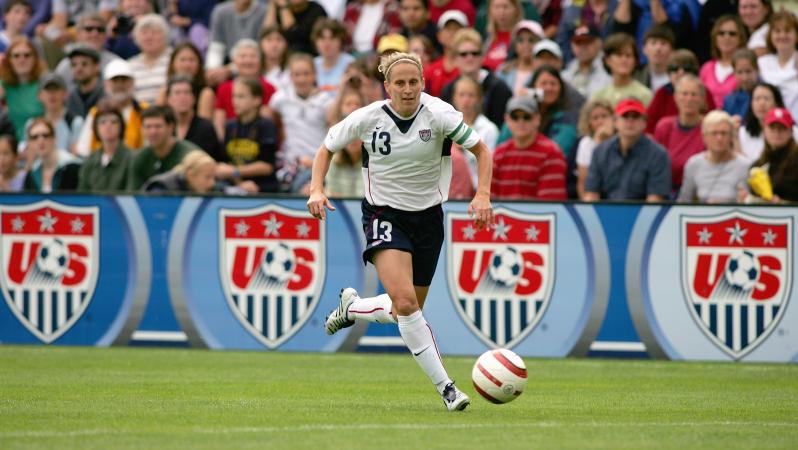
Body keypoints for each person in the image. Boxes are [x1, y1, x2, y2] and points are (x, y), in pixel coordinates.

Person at [306, 51, 493, 412]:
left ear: (423, 83)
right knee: (407, 305)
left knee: (403, 309)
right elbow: (326, 147)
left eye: (414, 82)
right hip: (383, 213)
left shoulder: (440, 114)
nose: (408, 89)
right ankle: (448, 389)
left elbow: (481, 150)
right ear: (387, 87)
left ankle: (354, 307)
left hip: (428, 219)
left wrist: (482, 194)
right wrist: (316, 187)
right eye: (400, 83)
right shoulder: (368, 118)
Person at [268, 53, 333, 193]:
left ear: (315, 75)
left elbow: (333, 132)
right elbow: (273, 121)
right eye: (297, 74)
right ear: (290, 76)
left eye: (306, 74)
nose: (301, 79)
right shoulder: (280, 99)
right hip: (289, 166)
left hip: (316, 165)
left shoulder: (326, 101)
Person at [584, 98, 671, 201]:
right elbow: (591, 195)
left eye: (636, 116)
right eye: (625, 116)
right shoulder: (599, 152)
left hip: (643, 214)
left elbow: (655, 200)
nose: (630, 121)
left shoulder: (658, 154)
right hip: (605, 213)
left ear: (644, 122)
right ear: (615, 122)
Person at [492, 94, 567, 200]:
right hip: (502, 216)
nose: (521, 121)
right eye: (515, 117)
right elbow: (489, 200)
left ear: (537, 119)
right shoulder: (498, 154)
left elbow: (550, 204)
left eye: (527, 116)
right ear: (507, 119)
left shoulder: (552, 153)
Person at [439, 28, 512, 128]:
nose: (470, 58)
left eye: (475, 53)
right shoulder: (448, 90)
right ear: (455, 59)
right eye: (463, 54)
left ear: (482, 56)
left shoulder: (499, 88)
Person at [216, 77, 279, 193]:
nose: (235, 101)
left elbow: (267, 166)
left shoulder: (266, 125)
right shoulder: (230, 126)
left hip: (263, 188)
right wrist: (240, 182)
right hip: (237, 184)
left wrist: (235, 171)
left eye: (241, 96)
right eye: (234, 96)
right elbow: (227, 162)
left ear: (257, 100)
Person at [75, 59, 147, 156]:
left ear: (133, 82)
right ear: (106, 84)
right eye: (115, 80)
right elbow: (83, 149)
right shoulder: (96, 113)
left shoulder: (144, 111)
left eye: (124, 80)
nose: (119, 85)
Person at [677, 110, 750, 203]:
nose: (719, 138)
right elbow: (684, 201)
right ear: (704, 137)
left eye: (724, 133)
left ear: (731, 136)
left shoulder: (745, 166)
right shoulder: (693, 164)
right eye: (714, 133)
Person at [213, 39, 277, 139]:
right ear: (234, 61)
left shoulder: (268, 88)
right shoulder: (224, 88)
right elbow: (219, 124)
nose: (248, 61)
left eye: (252, 56)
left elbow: (267, 123)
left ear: (260, 61)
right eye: (243, 56)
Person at [653, 74, 706, 193]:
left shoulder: (709, 127)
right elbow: (655, 165)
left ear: (702, 99)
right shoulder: (664, 126)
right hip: (666, 193)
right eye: (684, 94)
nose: (689, 99)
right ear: (675, 97)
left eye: (694, 94)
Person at [127, 105, 194, 190]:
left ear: (171, 127)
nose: (153, 132)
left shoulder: (189, 155)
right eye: (148, 127)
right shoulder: (139, 158)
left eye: (158, 126)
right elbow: (133, 195)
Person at [205, 0, 268, 85]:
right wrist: (213, 71)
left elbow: (262, 52)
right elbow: (216, 47)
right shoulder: (220, 11)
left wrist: (231, 69)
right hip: (227, 64)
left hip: (255, 66)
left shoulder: (264, 11)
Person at [53, 12, 121, 89]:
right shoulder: (66, 65)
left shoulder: (115, 62)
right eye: (89, 29)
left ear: (105, 36)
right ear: (78, 34)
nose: (95, 33)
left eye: (100, 30)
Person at [77, 101, 133, 193]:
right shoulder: (90, 161)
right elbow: (82, 196)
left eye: (113, 121)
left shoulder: (132, 159)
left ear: (121, 126)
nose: (108, 125)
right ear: (96, 127)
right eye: (102, 122)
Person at [22, 74, 83, 156]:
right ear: (39, 95)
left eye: (56, 89)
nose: (52, 94)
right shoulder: (31, 124)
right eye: (48, 90)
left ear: (65, 94)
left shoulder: (76, 123)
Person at [324, 80, 367, 197]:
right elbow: (331, 192)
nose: (353, 140)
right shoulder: (333, 160)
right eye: (348, 104)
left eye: (357, 136)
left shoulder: (373, 161)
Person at [747, 107, 798, 202]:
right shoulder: (757, 165)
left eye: (782, 128)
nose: (777, 132)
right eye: (772, 127)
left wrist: (783, 203)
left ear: (790, 131)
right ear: (764, 131)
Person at [0, 36, 45, 142]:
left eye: (27, 55)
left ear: (35, 58)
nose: (22, 60)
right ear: (9, 60)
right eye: (16, 56)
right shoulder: (4, 85)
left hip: (38, 143)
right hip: (11, 148)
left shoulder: (44, 84)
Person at [739, 82, 798, 162]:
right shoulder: (742, 133)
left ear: (777, 103)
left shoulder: (794, 131)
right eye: (757, 99)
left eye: (766, 98)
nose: (761, 103)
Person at [155, 42, 216, 120]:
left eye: (191, 60)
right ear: (172, 63)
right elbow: (159, 120)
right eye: (182, 60)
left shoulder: (205, 92)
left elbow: (204, 126)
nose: (187, 65)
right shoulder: (164, 91)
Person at [591, 32, 653, 108]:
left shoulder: (645, 95)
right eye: (619, 55)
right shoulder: (598, 96)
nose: (624, 60)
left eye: (628, 55)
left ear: (635, 61)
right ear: (607, 60)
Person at [699, 15, 748, 109]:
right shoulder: (706, 68)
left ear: (740, 38)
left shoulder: (746, 67)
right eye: (721, 33)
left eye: (732, 33)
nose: (726, 37)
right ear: (715, 38)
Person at [757, 11, 798, 120]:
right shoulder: (761, 63)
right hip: (770, 126)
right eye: (777, 31)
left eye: (787, 31)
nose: (782, 35)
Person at [167, 76, 221, 157]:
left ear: (194, 98)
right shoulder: (164, 127)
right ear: (169, 99)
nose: (182, 97)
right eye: (177, 93)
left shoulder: (206, 128)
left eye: (187, 92)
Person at [23, 117, 81, 192]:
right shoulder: (32, 174)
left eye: (45, 135)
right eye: (35, 137)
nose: (40, 140)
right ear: (29, 143)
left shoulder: (73, 166)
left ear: (54, 138)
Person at [127, 14, 172, 105]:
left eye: (155, 32)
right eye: (144, 33)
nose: (149, 37)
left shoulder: (174, 59)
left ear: (165, 36)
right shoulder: (129, 65)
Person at [575, 99, 614, 199]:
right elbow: (583, 182)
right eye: (595, 118)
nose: (600, 121)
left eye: (604, 116)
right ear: (589, 123)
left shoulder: (622, 140)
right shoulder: (585, 143)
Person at [423, 10, 467, 97]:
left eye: (457, 29)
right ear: (439, 36)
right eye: (448, 29)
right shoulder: (430, 70)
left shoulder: (472, 66)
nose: (453, 33)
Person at [561, 23, 611, 99]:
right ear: (572, 45)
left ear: (599, 43)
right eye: (578, 43)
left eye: (587, 42)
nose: (583, 47)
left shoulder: (611, 68)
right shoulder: (565, 75)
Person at [496, 20, 544, 97]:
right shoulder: (503, 70)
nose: (526, 44)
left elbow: (547, 95)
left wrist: (528, 93)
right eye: (520, 40)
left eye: (531, 40)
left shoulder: (545, 71)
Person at [263, 0, 328, 56]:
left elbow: (294, 36)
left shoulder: (316, 10)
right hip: (283, 59)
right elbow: (266, 33)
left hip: (308, 56)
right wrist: (272, 5)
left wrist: (283, 7)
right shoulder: (280, 9)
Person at [143, 149, 218, 193]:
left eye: (214, 178)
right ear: (190, 175)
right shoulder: (161, 189)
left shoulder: (208, 190)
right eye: (207, 177)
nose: (212, 183)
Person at [312, 18, 355, 92]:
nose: (327, 43)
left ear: (340, 40)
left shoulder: (351, 63)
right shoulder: (312, 64)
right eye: (322, 38)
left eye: (332, 38)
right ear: (315, 42)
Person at [64, 44, 106, 119]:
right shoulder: (70, 98)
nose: (78, 69)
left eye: (84, 64)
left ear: (97, 67)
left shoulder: (106, 95)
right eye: (74, 65)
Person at [481, 0, 523, 72]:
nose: (501, 12)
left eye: (505, 7)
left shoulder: (521, 36)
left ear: (516, 9)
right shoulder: (487, 36)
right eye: (497, 7)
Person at [635, 24, 675, 93]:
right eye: (653, 43)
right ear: (644, 49)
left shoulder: (678, 78)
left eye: (663, 43)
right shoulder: (635, 76)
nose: (658, 48)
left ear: (672, 50)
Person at [723, 48, 759, 119]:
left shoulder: (768, 94)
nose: (744, 78)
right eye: (739, 72)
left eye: (748, 71)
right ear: (734, 73)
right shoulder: (729, 100)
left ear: (757, 70)